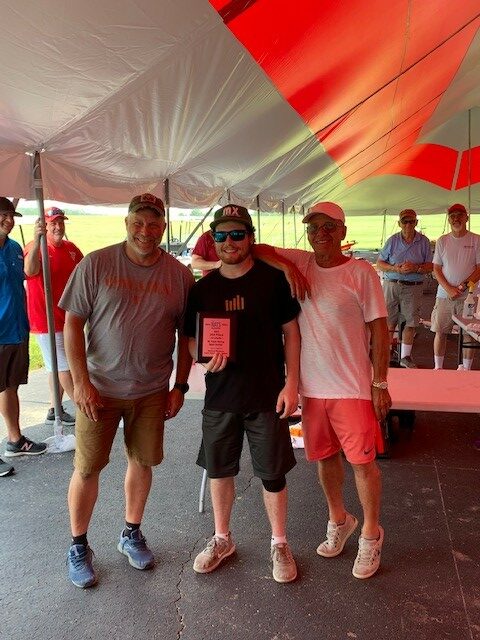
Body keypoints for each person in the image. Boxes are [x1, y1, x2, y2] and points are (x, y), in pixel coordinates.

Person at [60, 193, 194, 588]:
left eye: (153, 224)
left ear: (163, 227)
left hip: (152, 390)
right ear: (126, 223)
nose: (145, 231)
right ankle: (78, 545)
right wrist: (80, 382)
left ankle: (131, 533)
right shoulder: (96, 264)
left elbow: (186, 336)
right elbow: (72, 324)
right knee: (87, 467)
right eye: (138, 222)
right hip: (99, 389)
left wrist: (180, 386)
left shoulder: (179, 275)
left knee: (142, 462)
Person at [255, 201, 391, 579]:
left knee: (363, 464)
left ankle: (371, 534)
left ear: (343, 232)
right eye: (314, 228)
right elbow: (257, 248)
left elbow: (380, 330)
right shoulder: (301, 261)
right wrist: (286, 266)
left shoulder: (361, 273)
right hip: (313, 388)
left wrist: (380, 382)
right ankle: (339, 520)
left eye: (329, 227)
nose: (321, 234)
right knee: (325, 459)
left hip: (352, 387)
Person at [185, 204, 301, 584]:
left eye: (237, 234)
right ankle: (222, 539)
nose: (229, 241)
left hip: (267, 394)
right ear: (213, 240)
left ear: (250, 238)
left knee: (273, 475)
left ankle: (280, 543)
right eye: (221, 235)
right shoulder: (202, 289)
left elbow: (291, 333)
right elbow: (190, 340)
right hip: (221, 398)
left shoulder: (273, 280)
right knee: (219, 471)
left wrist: (292, 383)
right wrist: (203, 360)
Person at [0, 197, 47, 478]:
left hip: (17, 329)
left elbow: (31, 271)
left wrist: (37, 239)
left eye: (11, 215)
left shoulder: (15, 247)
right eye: (3, 215)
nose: (8, 220)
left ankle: (15, 440)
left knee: (11, 387)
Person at [24, 207, 83, 424]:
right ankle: (84, 409)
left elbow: (85, 271)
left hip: (66, 316)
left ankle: (54, 408)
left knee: (54, 366)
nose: (58, 227)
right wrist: (36, 241)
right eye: (53, 223)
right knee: (64, 366)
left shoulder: (70, 248)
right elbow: (29, 271)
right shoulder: (36, 247)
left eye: (61, 222)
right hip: (46, 319)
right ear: (45, 226)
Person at [377, 209, 433, 368]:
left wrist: (416, 268)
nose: (408, 224)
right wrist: (396, 268)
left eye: (411, 221)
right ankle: (387, 355)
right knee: (389, 322)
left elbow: (431, 266)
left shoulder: (424, 241)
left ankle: (405, 357)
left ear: (416, 223)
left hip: (413, 287)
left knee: (411, 322)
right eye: (405, 221)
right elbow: (380, 263)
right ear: (399, 223)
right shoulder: (392, 240)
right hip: (392, 284)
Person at [431, 203, 480, 370]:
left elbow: (479, 268)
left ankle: (466, 369)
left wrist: (464, 286)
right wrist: (449, 289)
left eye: (459, 215)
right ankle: (438, 368)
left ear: (467, 218)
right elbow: (436, 268)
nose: (456, 219)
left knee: (469, 333)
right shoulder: (442, 241)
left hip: (470, 297)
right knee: (440, 331)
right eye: (452, 216)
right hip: (444, 296)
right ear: (449, 219)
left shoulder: (476, 239)